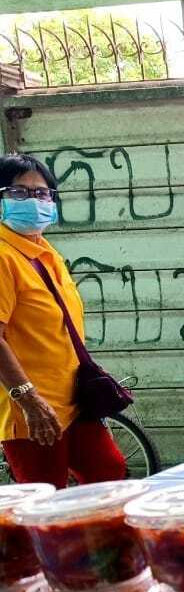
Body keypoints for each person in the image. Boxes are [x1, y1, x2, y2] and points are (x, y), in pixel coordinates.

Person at [0, 156, 128, 487]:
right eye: (18, 192)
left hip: (74, 400)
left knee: (107, 475)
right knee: (46, 500)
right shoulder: (3, 256)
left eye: (42, 193)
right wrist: (28, 399)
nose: (33, 201)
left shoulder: (43, 251)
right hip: (33, 408)